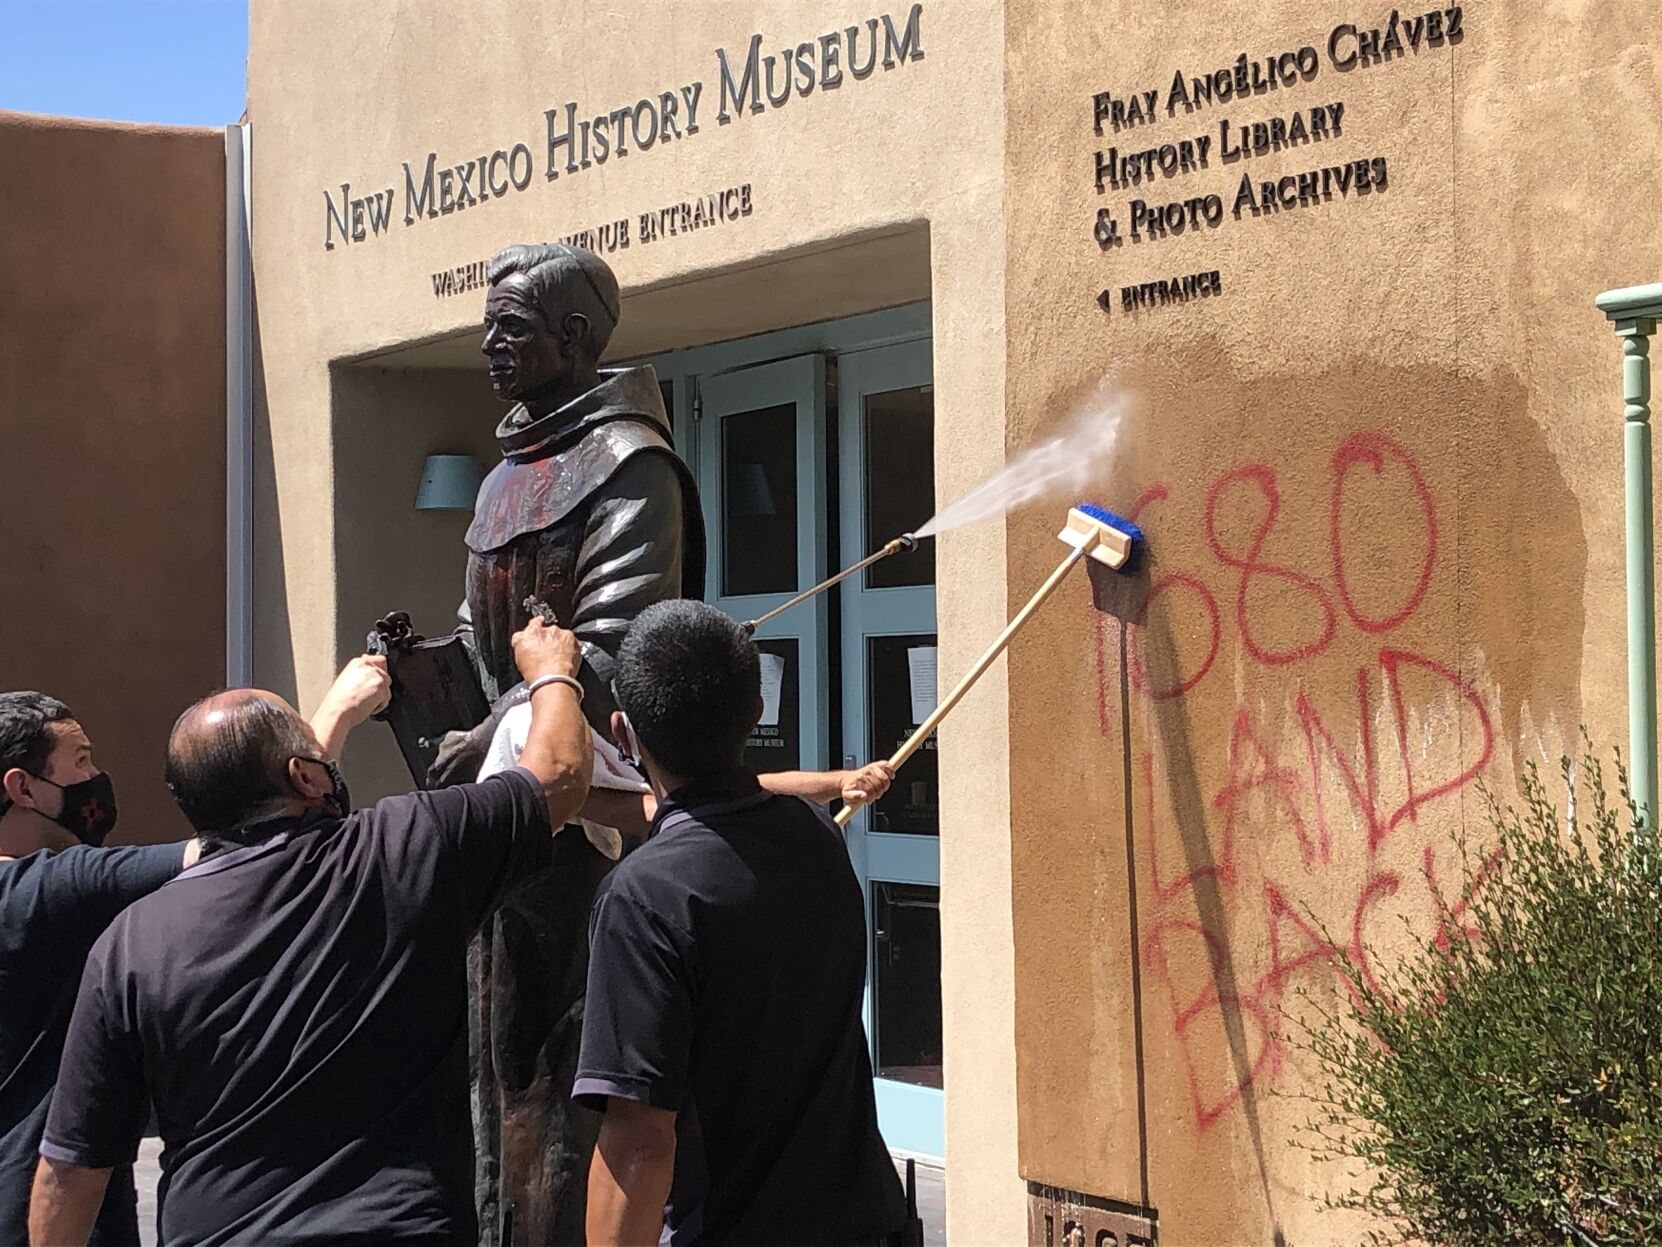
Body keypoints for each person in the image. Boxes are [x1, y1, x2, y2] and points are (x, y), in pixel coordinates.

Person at [28, 621, 591, 1247]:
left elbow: (69, 1172)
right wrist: (552, 674)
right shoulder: (404, 848)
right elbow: (560, 776)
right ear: (305, 777)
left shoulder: (130, 944)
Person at [575, 601, 909, 1246]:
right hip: (863, 1220)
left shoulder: (644, 898)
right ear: (756, 712)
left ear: (622, 733)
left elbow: (640, 1143)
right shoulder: (816, 837)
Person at [0, 692, 199, 1247]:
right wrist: (325, 733)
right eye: (82, 761)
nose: (96, 778)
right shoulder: (50, 892)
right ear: (22, 788)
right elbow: (236, 852)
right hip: (48, 1213)